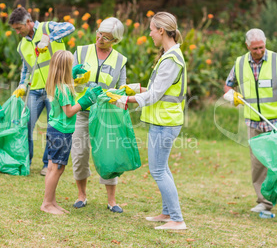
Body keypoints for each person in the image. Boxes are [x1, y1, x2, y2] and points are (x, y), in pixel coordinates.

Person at [107, 12, 187, 230]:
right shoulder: (169, 55)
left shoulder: (171, 59)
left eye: (151, 29)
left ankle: (177, 220)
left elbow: (155, 95)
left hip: (166, 122)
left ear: (161, 31)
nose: (150, 34)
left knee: (158, 170)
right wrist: (131, 89)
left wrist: (126, 100)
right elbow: (156, 90)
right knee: (162, 168)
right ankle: (167, 213)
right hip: (162, 121)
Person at [223, 28, 277, 219]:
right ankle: (264, 203)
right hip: (254, 123)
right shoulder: (239, 63)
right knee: (259, 165)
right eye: (255, 49)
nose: (259, 51)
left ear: (265, 43)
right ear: (248, 46)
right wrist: (231, 94)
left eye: (261, 47)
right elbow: (229, 84)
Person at [8, 7, 75, 176]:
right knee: (26, 125)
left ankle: (47, 164)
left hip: (56, 88)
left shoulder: (46, 27)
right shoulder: (22, 45)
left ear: (29, 22)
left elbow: (69, 27)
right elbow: (26, 69)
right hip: (36, 90)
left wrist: (48, 39)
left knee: (53, 127)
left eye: (19, 28)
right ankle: (25, 160)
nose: (17, 32)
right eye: (15, 29)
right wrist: (22, 85)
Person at [70, 17, 127, 213]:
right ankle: (81, 195)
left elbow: (122, 89)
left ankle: (112, 201)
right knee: (79, 155)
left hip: (105, 115)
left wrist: (114, 98)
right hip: (81, 112)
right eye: (99, 33)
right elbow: (67, 79)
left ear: (115, 41)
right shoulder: (81, 51)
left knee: (108, 156)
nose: (100, 38)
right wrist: (74, 78)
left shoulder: (120, 60)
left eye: (106, 37)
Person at [40, 50, 102, 214]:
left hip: (55, 129)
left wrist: (73, 78)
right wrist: (85, 100)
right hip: (61, 132)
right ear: (65, 68)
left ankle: (51, 202)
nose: (73, 67)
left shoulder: (56, 83)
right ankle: (46, 204)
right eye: (71, 65)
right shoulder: (65, 89)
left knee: (54, 167)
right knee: (56, 168)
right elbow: (69, 112)